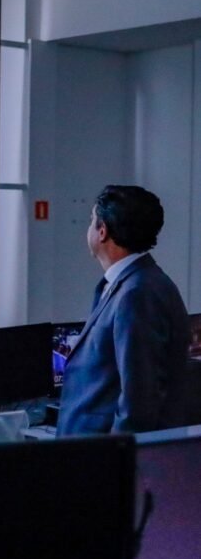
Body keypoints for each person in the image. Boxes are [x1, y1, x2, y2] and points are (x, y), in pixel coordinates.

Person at [57, 185, 192, 435]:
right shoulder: (133, 283)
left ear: (102, 231)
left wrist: (117, 454)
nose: (89, 228)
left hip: (106, 451)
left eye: (91, 220)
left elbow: (139, 399)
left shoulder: (136, 293)